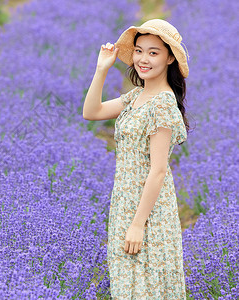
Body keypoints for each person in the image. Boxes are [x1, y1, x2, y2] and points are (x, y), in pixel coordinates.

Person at [82, 19, 190, 299]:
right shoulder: (138, 96)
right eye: (139, 51)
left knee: (146, 288)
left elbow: (158, 171)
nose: (143, 59)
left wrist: (137, 224)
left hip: (148, 213)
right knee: (128, 286)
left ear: (169, 58)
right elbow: (91, 112)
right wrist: (101, 70)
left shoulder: (163, 104)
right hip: (125, 203)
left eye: (154, 52)